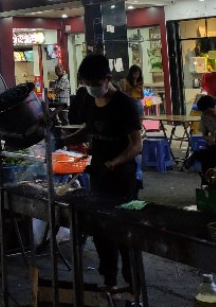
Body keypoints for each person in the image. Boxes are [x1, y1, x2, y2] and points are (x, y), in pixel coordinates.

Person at [63, 55, 142, 293]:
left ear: (107, 79)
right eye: (86, 82)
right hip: (98, 175)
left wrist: (115, 162)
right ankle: (109, 280)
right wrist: (62, 140)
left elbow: (136, 145)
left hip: (123, 178)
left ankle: (133, 283)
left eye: (93, 82)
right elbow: (87, 130)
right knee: (101, 231)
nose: (90, 87)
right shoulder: (88, 99)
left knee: (125, 233)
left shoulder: (125, 105)